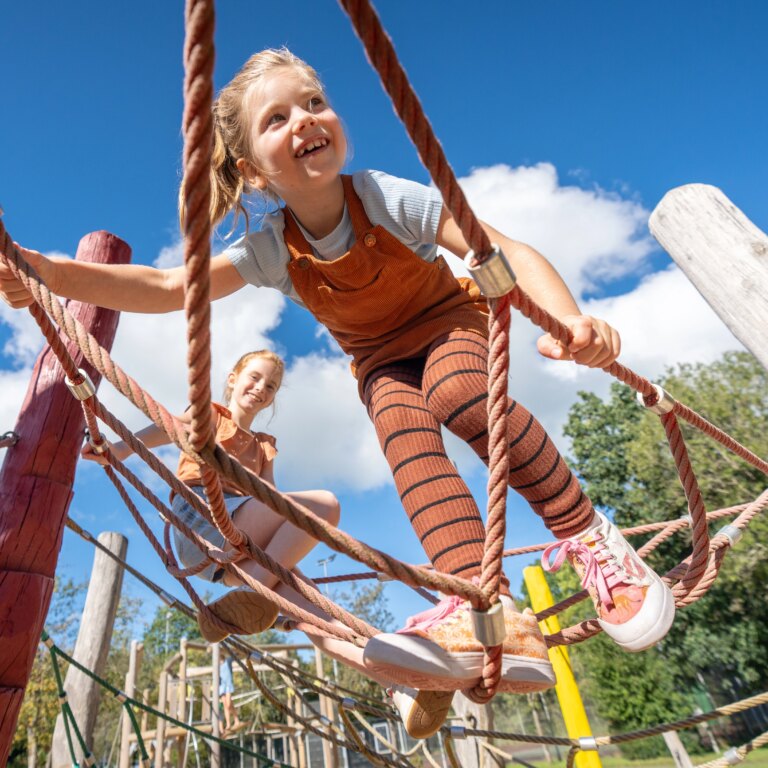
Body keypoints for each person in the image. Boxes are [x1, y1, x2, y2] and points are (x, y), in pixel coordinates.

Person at [2, 47, 675, 734]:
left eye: (315, 103)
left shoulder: (384, 197)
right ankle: (487, 609)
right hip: (379, 362)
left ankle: (590, 538)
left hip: (449, 325)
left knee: (457, 393)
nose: (305, 120)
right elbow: (170, 287)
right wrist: (42, 270)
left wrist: (569, 318)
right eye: (277, 118)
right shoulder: (270, 248)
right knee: (406, 442)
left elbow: (500, 248)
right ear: (253, 171)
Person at [81, 349, 341, 644]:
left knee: (319, 612)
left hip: (235, 550)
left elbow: (271, 498)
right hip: (202, 519)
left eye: (271, 386)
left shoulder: (264, 447)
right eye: (254, 378)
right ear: (233, 379)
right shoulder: (211, 415)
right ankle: (257, 588)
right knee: (325, 504)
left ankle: (389, 678)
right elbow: (168, 427)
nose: (261, 389)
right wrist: (121, 449)